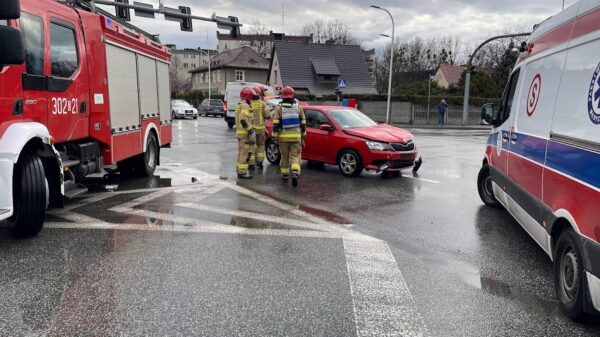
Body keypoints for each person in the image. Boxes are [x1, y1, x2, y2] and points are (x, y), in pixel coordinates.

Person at [272, 86, 306, 187]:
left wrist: (274, 136)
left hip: (283, 137)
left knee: (284, 156)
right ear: (293, 95)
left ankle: (285, 174)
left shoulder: (279, 108)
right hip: (296, 137)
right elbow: (303, 123)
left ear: (283, 96)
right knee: (295, 156)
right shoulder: (298, 107)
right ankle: (295, 172)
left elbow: (276, 124)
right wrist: (303, 136)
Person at [235, 87, 256, 179]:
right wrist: (250, 130)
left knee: (240, 152)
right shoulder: (245, 106)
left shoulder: (238, 105)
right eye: (251, 98)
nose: (251, 100)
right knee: (244, 153)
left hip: (239, 133)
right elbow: (243, 120)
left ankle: (239, 170)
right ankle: (243, 172)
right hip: (245, 134)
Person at [248, 87, 269, 169]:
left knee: (252, 145)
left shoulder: (248, 103)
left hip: (251, 129)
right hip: (260, 129)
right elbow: (268, 115)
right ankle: (260, 162)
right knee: (260, 145)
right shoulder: (263, 103)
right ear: (259, 93)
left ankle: (251, 163)